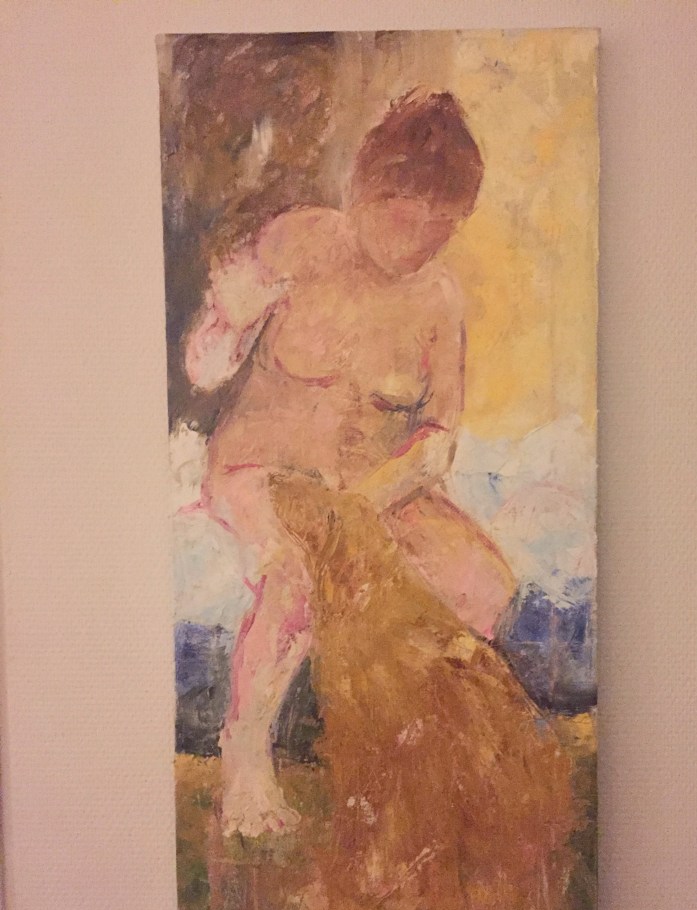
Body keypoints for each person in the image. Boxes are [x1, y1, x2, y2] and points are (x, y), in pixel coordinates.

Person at [183, 89, 517, 838]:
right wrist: (227, 319)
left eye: (440, 226)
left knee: (481, 584)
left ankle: (416, 757)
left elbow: (438, 435)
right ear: (365, 190)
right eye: (403, 217)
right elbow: (204, 367)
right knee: (298, 569)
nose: (417, 242)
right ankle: (245, 764)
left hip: (368, 491)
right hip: (259, 472)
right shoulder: (301, 241)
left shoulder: (439, 301)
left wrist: (370, 499)